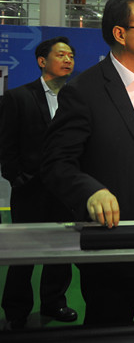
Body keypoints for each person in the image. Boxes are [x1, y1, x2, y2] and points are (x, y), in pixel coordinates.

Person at [39, 0, 134, 325]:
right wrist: (90, 191)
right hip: (117, 233)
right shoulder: (85, 90)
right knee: (110, 325)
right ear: (120, 33)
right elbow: (56, 162)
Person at [0, 37, 78, 329]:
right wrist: (17, 178)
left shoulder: (76, 97)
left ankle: (54, 302)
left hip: (66, 189)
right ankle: (16, 310)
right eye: (61, 55)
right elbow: (6, 144)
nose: (68, 60)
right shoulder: (19, 97)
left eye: (71, 56)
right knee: (24, 254)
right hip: (30, 189)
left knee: (61, 251)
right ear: (42, 61)